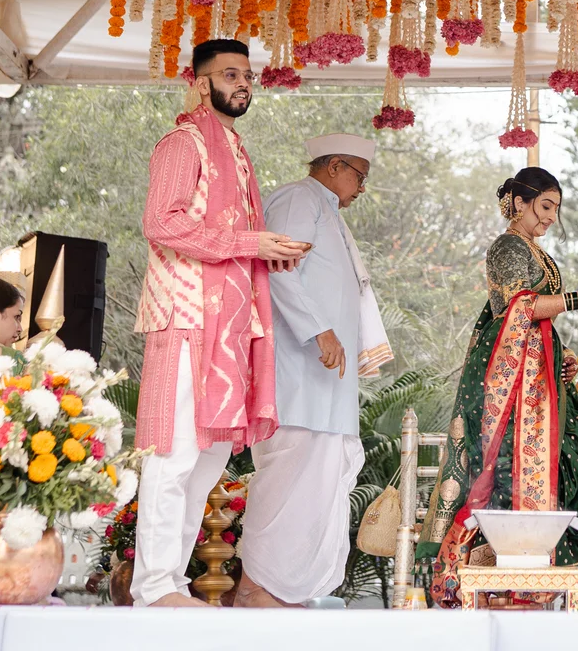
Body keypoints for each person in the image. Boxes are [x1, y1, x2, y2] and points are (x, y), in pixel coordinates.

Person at [129, 37, 311, 608]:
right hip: (184, 315)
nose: (244, 83)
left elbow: (230, 236)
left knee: (206, 463)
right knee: (174, 454)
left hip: (229, 327)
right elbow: (161, 222)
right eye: (230, 74)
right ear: (200, 82)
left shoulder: (233, 150)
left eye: (248, 75)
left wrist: (265, 252)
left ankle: (171, 584)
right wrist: (248, 241)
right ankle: (151, 586)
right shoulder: (183, 144)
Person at [424, 168, 578, 607]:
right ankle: (494, 585)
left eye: (556, 208)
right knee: (500, 470)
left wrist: (559, 358)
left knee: (543, 467)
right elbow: (519, 308)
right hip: (507, 383)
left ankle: (531, 580)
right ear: (518, 202)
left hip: (532, 378)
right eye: (546, 206)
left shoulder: (531, 248)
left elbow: (537, 322)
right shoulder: (506, 246)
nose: (552, 217)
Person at [235, 132, 392, 609]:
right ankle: (256, 587)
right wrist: (318, 330)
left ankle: (288, 591)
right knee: (288, 479)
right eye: (359, 176)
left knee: (317, 484)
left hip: (325, 385)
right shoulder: (298, 198)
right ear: (335, 165)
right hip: (296, 374)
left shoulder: (327, 210)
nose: (361, 189)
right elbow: (279, 267)